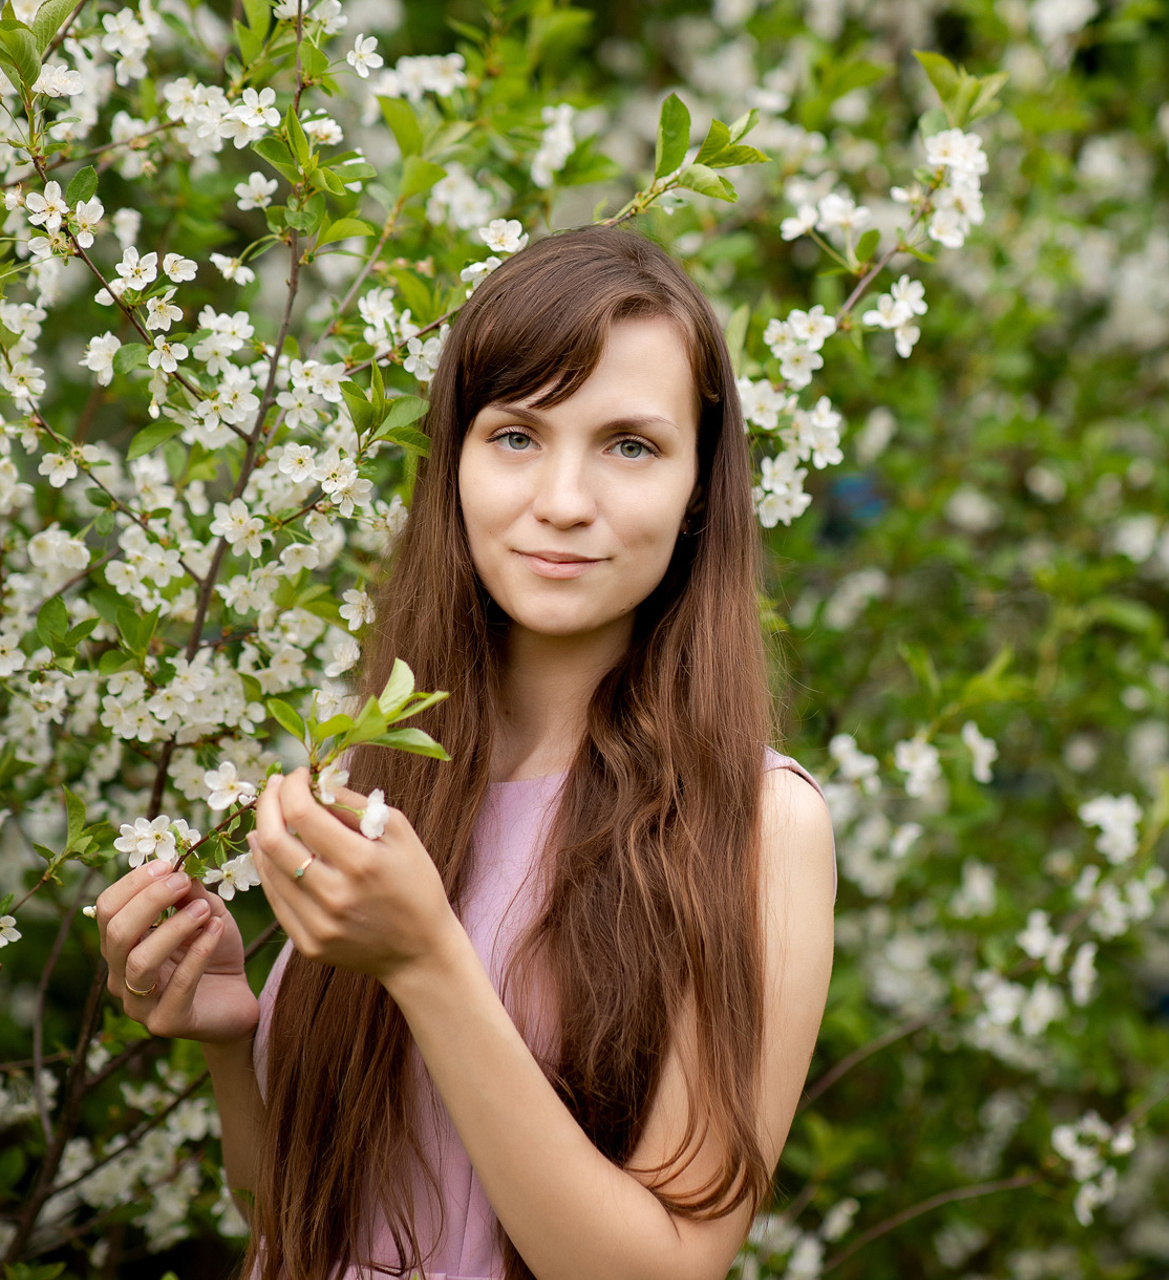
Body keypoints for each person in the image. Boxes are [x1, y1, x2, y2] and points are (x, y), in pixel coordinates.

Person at [96, 224, 836, 1280]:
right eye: (517, 435)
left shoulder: (758, 825)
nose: (564, 500)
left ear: (698, 494)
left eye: (630, 444)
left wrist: (426, 960)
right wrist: (231, 1038)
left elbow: (659, 1268)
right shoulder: (384, 770)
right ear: (453, 462)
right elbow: (298, 1216)